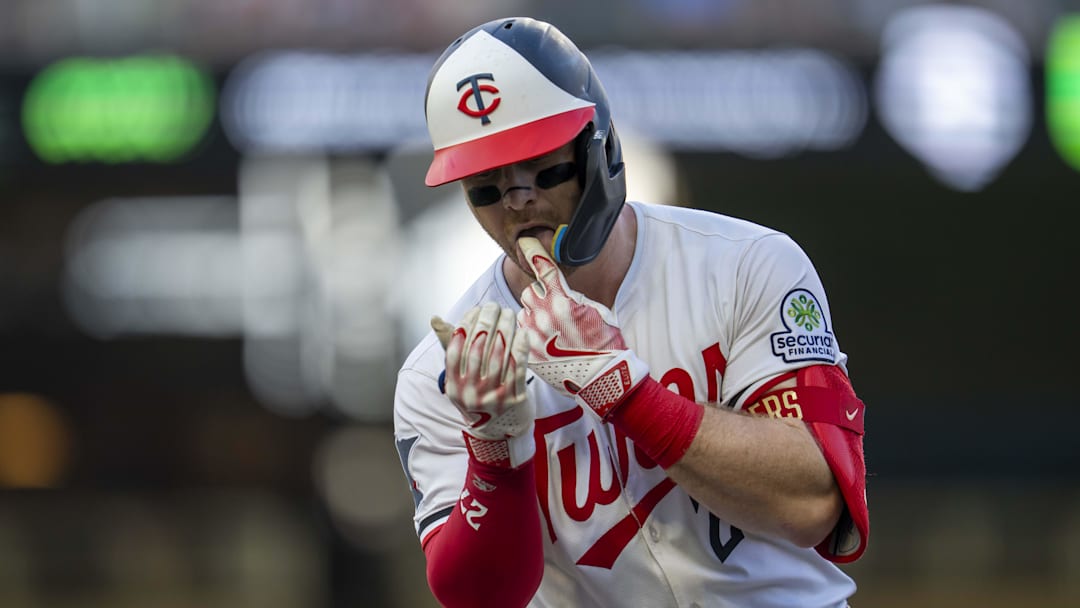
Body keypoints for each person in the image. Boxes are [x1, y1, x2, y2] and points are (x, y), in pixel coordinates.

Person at [393, 16, 869, 608]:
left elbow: (815, 505)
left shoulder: (748, 264)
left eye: (542, 165)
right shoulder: (443, 372)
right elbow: (479, 597)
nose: (518, 200)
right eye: (485, 183)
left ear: (602, 147)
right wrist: (493, 451)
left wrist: (629, 396)